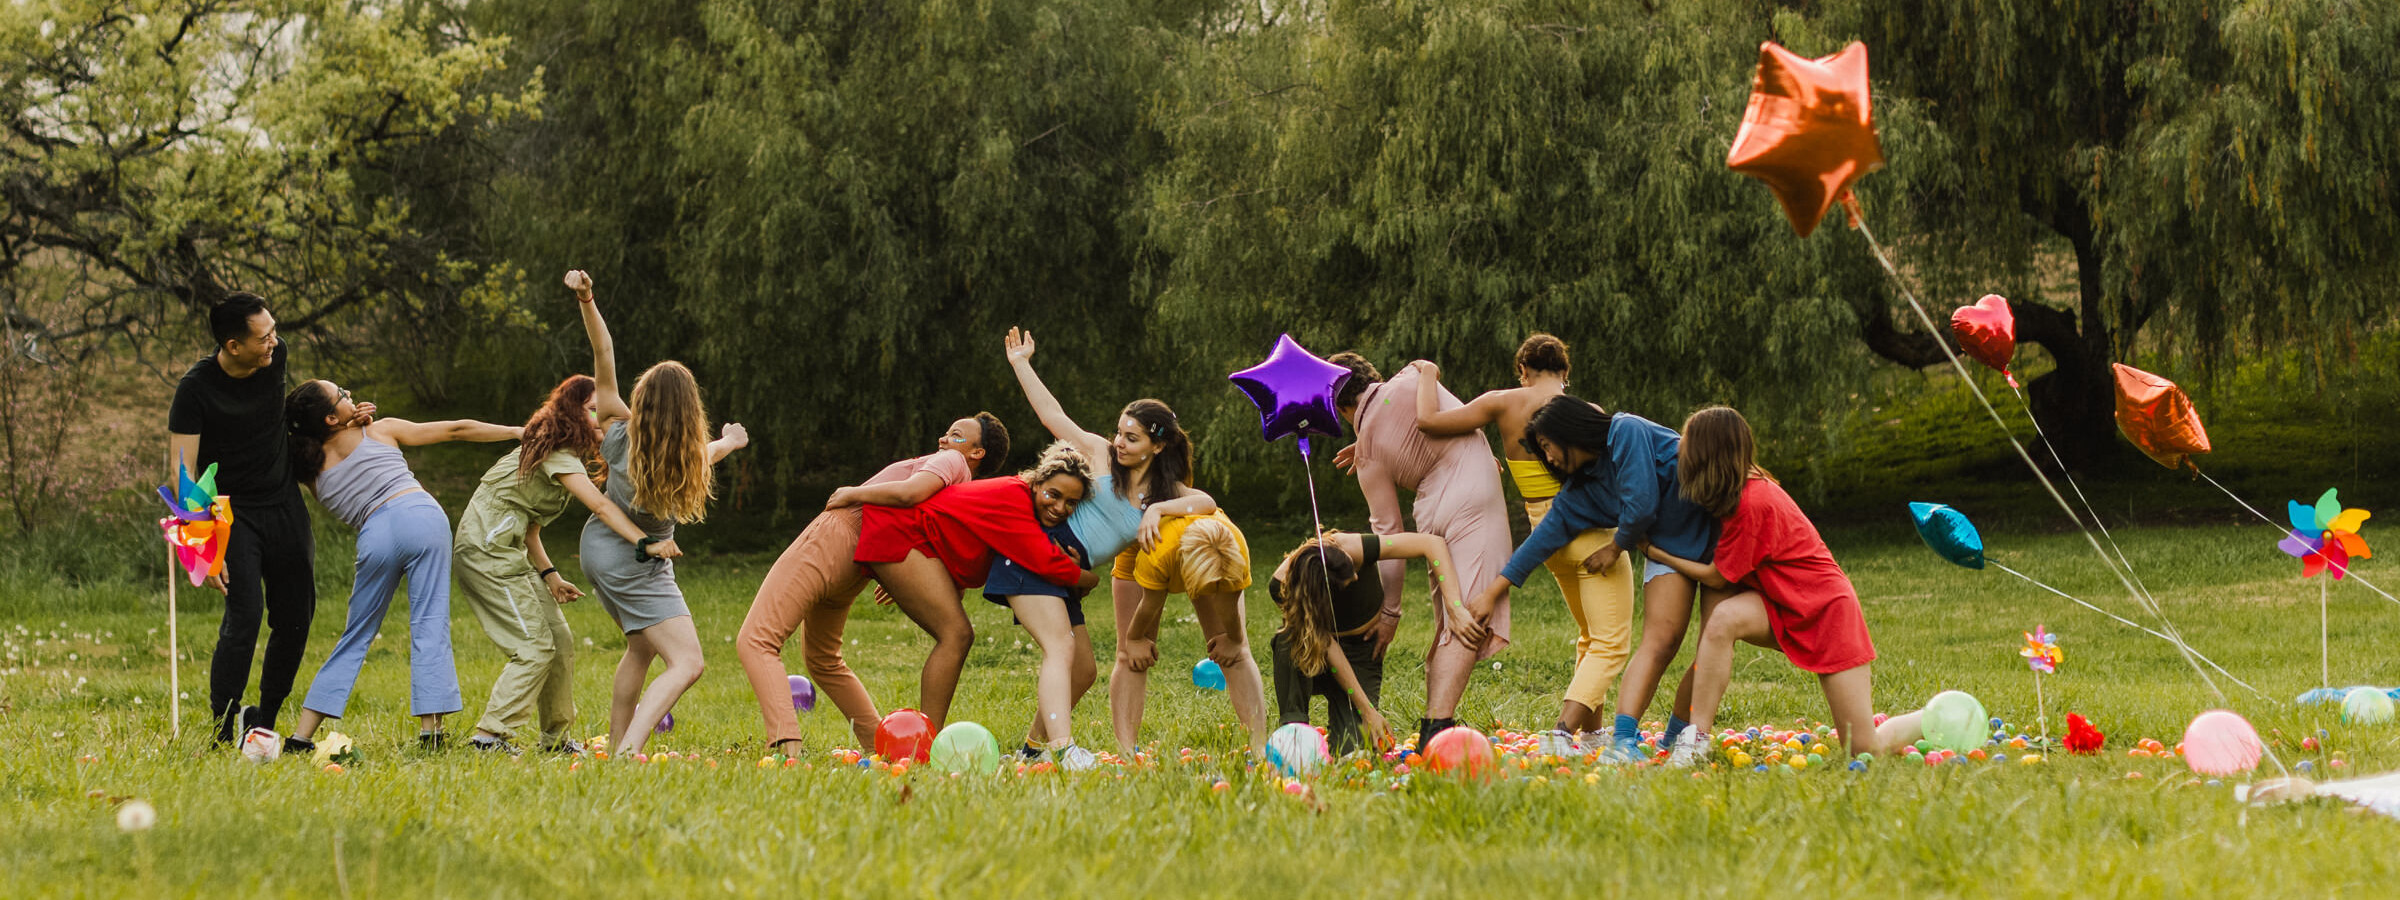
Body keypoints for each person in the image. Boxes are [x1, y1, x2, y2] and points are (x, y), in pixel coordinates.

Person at [1640, 407, 1923, 764]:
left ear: (1709, 451)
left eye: (1688, 442)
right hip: (1783, 604)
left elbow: (1716, 576)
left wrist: (1653, 551)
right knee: (1723, 620)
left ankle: (1928, 718)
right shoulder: (1733, 494)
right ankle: (1694, 738)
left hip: (1827, 613)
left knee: (1863, 749)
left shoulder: (1753, 501)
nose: (1681, 449)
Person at [995, 327, 1220, 760]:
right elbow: (1052, 416)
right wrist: (1022, 363)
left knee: (1083, 671)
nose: (1119, 442)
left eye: (1131, 438)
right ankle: (1062, 750)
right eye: (1119, 432)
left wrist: (1157, 509)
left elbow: (1207, 502)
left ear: (1157, 446)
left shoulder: (1165, 490)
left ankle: (1029, 751)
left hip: (1069, 573)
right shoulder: (1099, 454)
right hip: (1042, 551)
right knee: (1063, 653)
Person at [1458, 395, 1718, 762]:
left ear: (1568, 431)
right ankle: (1624, 741)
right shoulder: (1577, 495)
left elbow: (1641, 504)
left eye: (1547, 447)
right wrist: (1493, 593)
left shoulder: (1625, 431)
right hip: (1668, 554)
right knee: (1663, 642)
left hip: (1717, 536)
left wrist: (1615, 548)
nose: (1547, 459)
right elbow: (1538, 544)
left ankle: (1677, 736)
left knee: (1712, 643)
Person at [1412, 335, 1637, 756]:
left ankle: (1591, 733)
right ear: (1565, 372)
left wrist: (1426, 372)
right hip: (1588, 531)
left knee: (1590, 635)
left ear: (1523, 371)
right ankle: (1563, 734)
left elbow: (1427, 421)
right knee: (1610, 640)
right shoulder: (1587, 415)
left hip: (1545, 538)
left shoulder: (1502, 402)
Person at [734, 414, 1010, 757]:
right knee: (823, 659)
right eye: (946, 432)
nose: (943, 439)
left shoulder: (951, 461)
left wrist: (854, 492)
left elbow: (911, 493)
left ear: (977, 452)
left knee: (756, 640)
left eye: (956, 436)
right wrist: (894, 574)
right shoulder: (956, 487)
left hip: (835, 535)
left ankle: (786, 747)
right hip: (861, 561)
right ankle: (878, 745)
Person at [281, 381, 520, 753]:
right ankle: (431, 734)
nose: (350, 394)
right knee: (429, 622)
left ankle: (300, 737)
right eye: (342, 395)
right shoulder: (379, 429)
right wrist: (516, 432)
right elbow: (455, 429)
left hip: (375, 536)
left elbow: (300, 437)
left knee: (355, 634)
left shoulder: (307, 467)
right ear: (330, 417)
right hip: (421, 517)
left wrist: (345, 423)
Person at [568, 270, 749, 759]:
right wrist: (731, 441)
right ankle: (629, 749)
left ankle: (615, 749)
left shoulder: (616, 431)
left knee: (641, 648)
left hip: (598, 548)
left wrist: (587, 299)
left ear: (641, 400)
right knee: (687, 662)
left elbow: (603, 354)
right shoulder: (686, 458)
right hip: (637, 558)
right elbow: (704, 453)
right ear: (691, 411)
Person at [452, 371, 666, 755]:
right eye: (592, 411)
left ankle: (555, 739)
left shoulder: (560, 454)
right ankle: (489, 737)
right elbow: (600, 506)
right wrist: (644, 542)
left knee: (560, 641)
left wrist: (550, 575)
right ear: (572, 413)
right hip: (486, 552)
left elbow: (530, 527)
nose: (601, 420)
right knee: (534, 646)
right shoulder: (557, 455)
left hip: (508, 551)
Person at [853, 443, 1100, 738]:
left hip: (922, 543)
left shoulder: (1025, 501)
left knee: (957, 635)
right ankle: (927, 742)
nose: (1060, 508)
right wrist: (1090, 579)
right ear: (1036, 482)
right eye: (1053, 494)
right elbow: (1046, 563)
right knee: (956, 635)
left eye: (1071, 503)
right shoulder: (1014, 497)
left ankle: (928, 740)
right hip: (902, 531)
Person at [1327, 353, 1512, 748]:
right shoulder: (1412, 378)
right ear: (1368, 376)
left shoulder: (1367, 454)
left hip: (1432, 510)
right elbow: (1456, 421)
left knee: (1451, 615)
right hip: (1473, 494)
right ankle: (1437, 728)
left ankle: (1436, 720)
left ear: (1341, 407)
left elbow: (1387, 536)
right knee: (1470, 613)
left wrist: (1390, 611)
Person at [167, 293, 318, 744]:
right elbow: (181, 471)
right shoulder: (195, 390)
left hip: (284, 505)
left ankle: (264, 717)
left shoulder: (277, 357)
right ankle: (221, 724)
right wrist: (201, 547)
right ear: (233, 345)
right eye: (263, 336)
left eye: (273, 330)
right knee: (245, 615)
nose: (274, 341)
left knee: (296, 616)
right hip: (231, 515)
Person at [1266, 528, 1463, 756]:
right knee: (1289, 638)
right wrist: (1367, 710)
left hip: (1360, 654)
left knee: (1353, 751)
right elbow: (1327, 645)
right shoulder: (1285, 586)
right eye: (1348, 582)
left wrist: (1454, 607)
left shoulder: (1350, 546)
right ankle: (1294, 735)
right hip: (1316, 657)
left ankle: (1344, 724)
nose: (1357, 577)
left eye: (1354, 567)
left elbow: (1432, 544)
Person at [1110, 511, 1267, 757]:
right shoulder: (1159, 555)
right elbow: (1149, 605)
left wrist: (1234, 640)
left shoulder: (1235, 551)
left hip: (1209, 551)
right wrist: (1135, 639)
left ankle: (1260, 750)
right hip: (1150, 545)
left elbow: (1230, 608)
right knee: (1131, 656)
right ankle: (1126, 754)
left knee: (1238, 654)